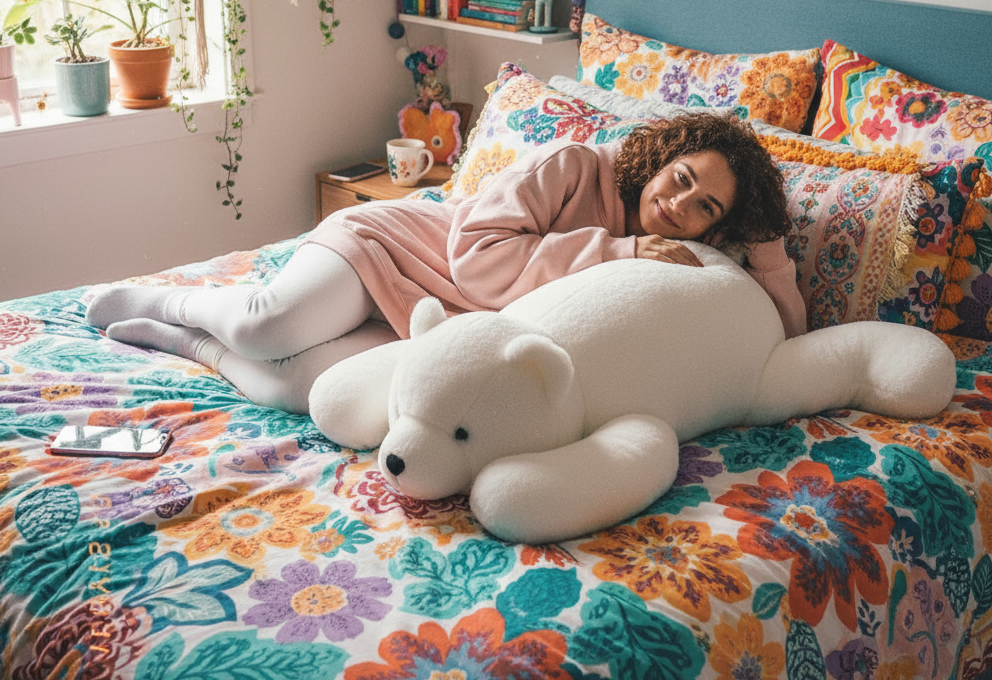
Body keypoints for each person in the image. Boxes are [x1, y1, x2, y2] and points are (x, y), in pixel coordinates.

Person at [86, 112, 806, 415]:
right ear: (664, 159)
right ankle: (169, 302)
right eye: (683, 178)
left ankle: (186, 344)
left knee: (304, 391)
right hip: (396, 247)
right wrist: (619, 249)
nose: (682, 205)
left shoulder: (688, 260)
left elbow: (781, 336)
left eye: (708, 207)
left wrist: (767, 236)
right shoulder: (575, 165)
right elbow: (479, 262)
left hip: (442, 324)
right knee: (270, 328)